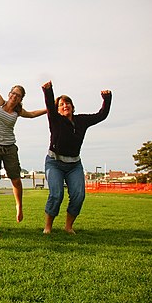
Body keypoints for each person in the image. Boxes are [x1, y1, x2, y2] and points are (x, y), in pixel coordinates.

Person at [0, 51, 47, 227]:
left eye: (18, 95)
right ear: (9, 94)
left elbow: (31, 114)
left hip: (9, 147)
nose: (14, 96)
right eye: (13, 93)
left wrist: (48, 109)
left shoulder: (18, 112)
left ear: (21, 99)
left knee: (16, 179)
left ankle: (19, 205)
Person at [41, 81, 112, 234]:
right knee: (56, 194)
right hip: (54, 162)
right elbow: (49, 105)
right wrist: (48, 90)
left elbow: (102, 115)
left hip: (74, 164)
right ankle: (48, 227)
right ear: (57, 109)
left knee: (79, 195)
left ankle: (68, 226)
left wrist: (106, 98)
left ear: (72, 107)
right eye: (61, 104)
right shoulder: (55, 119)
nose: (65, 106)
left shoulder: (81, 121)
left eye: (67, 103)